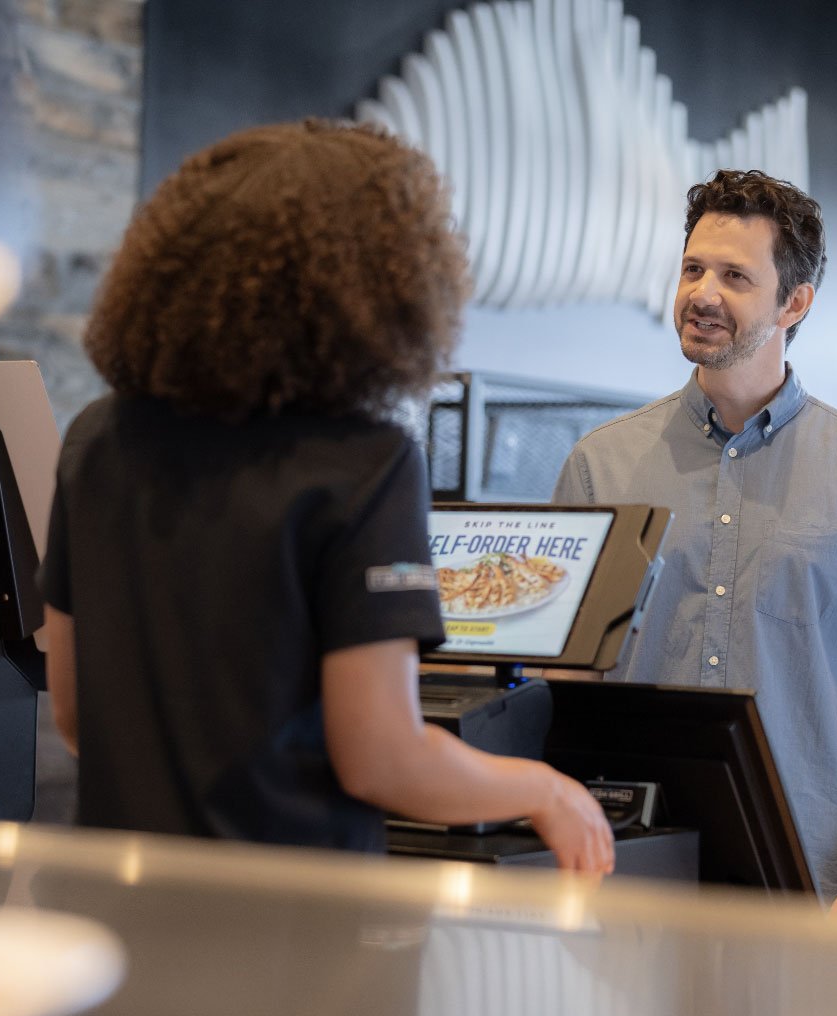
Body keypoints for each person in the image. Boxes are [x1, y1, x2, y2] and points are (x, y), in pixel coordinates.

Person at [39, 121, 613, 873]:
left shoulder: (95, 440)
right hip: (294, 941)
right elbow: (382, 759)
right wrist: (544, 789)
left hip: (122, 917)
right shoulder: (364, 466)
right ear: (379, 284)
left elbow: (79, 718)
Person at [551, 170, 837, 911]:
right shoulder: (598, 465)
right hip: (633, 865)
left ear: (794, 302)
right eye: (693, 268)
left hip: (810, 874)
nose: (703, 292)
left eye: (735, 276)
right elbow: (568, 681)